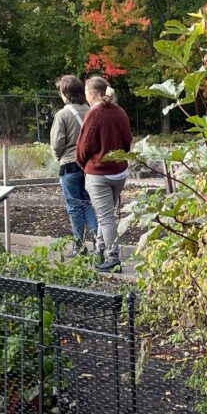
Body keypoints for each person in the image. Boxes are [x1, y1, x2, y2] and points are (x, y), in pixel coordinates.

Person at [76, 76, 133, 272]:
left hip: (99, 172)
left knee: (106, 217)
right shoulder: (120, 112)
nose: (85, 96)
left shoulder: (95, 113)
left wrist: (84, 164)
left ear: (92, 94)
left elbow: (84, 146)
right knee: (104, 214)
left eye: (86, 92)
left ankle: (113, 256)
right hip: (119, 172)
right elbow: (127, 140)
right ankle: (99, 250)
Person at [50, 75, 98, 256]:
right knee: (88, 203)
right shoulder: (92, 111)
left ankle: (79, 245)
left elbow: (57, 143)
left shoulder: (62, 115)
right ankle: (97, 240)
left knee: (74, 206)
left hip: (69, 165)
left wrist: (57, 156)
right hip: (89, 165)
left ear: (65, 93)